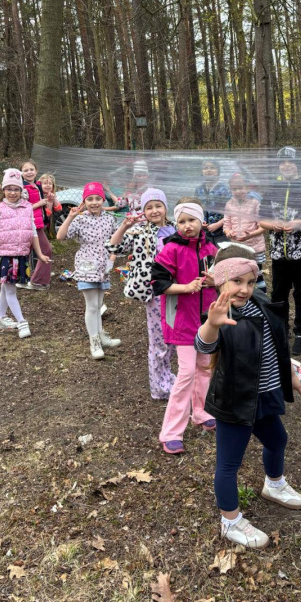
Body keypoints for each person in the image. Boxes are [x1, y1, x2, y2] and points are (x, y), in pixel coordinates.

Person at [195, 243, 301, 549]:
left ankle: (274, 484)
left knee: (278, 440)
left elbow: (277, 344)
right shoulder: (220, 313)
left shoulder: (260, 303)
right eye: (237, 281)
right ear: (221, 279)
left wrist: (290, 374)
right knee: (228, 464)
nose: (245, 289)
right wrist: (211, 324)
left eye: (250, 281)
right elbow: (204, 345)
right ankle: (230, 521)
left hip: (265, 394)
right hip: (235, 400)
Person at [151, 200, 218, 454]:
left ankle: (201, 412)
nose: (187, 226)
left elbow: (223, 277)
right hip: (181, 320)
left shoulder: (211, 247)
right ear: (175, 224)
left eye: (192, 220)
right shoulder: (172, 249)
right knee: (187, 372)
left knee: (205, 366)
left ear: (202, 221)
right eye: (181, 221)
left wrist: (214, 280)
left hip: (207, 321)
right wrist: (186, 287)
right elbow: (158, 283)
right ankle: (171, 432)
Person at [106, 188, 178, 399]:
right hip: (154, 293)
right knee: (159, 340)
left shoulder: (176, 229)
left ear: (165, 207)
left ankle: (167, 377)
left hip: (178, 291)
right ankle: (159, 387)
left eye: (158, 206)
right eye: (149, 207)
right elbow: (113, 247)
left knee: (174, 339)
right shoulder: (139, 231)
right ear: (143, 211)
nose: (154, 211)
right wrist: (124, 227)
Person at [258, 146, 301, 356]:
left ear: (298, 164)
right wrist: (273, 224)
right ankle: (280, 328)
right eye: (282, 162)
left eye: (291, 162)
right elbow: (261, 220)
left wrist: (298, 223)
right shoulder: (272, 189)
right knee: (278, 293)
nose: (286, 166)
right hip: (279, 252)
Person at [0, 169, 53, 340]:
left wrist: (39, 254)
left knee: (5, 287)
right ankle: (22, 322)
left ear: (21, 190)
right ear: (4, 191)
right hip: (5, 256)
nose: (12, 193)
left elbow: (33, 232)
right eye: (9, 189)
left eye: (16, 189)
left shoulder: (27, 208)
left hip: (21, 255)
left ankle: (0, 318)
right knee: (10, 290)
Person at [57, 182, 121, 359]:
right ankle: (94, 342)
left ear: (103, 200)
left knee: (99, 305)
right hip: (87, 266)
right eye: (90, 199)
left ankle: (101, 335)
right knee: (92, 306)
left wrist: (112, 260)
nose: (94, 202)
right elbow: (60, 236)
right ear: (84, 201)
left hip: (103, 267)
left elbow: (116, 240)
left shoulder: (109, 219)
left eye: (97, 199)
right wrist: (70, 217)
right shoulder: (80, 219)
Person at [222, 172, 267, 292]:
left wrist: (251, 234)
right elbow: (226, 224)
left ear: (247, 188)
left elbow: (263, 226)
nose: (238, 191)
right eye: (234, 189)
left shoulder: (255, 203)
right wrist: (228, 232)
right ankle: (244, 296)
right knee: (240, 273)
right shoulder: (229, 204)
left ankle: (261, 295)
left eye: (240, 188)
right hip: (237, 247)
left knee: (256, 273)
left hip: (254, 247)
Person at [19, 160, 55, 291]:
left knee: (26, 252)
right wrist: (39, 204)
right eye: (25, 170)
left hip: (38, 224)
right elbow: (22, 208)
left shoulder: (37, 186)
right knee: (46, 250)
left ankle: (24, 279)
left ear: (36, 171)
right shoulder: (22, 189)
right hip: (28, 224)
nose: (29, 172)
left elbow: (47, 188)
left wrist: (49, 197)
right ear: (21, 173)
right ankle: (37, 281)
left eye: (31, 169)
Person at [195, 159, 231, 244]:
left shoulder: (224, 189)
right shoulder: (199, 190)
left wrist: (218, 224)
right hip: (205, 233)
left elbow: (231, 212)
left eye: (212, 168)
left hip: (222, 232)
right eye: (205, 168)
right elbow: (197, 208)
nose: (209, 170)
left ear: (218, 171)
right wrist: (201, 222)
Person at [37, 173, 59, 239]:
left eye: (50, 184)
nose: (48, 185)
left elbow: (59, 209)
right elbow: (47, 214)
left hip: (47, 224)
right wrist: (50, 202)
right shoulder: (38, 196)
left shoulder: (51, 195)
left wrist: (53, 198)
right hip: (39, 223)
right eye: (45, 183)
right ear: (40, 185)